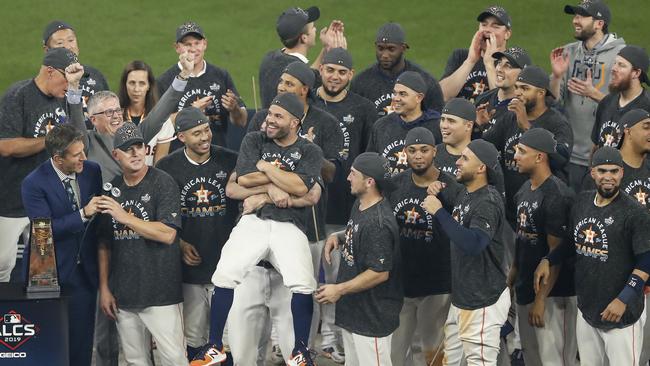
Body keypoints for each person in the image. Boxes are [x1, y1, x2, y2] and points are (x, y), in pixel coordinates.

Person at [191, 93, 324, 366]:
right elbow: (243, 179)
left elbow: (302, 188)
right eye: (269, 113)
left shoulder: (310, 151)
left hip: (289, 223)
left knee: (302, 282)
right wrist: (274, 186)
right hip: (254, 220)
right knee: (225, 273)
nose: (269, 120)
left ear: (295, 122)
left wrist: (263, 170)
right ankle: (215, 344)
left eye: (278, 115)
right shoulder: (254, 139)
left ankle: (300, 350)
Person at [549, 147, 650, 365]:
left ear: (622, 173)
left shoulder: (635, 213)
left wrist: (623, 299)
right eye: (602, 171)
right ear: (592, 172)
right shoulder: (582, 202)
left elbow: (646, 260)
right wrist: (548, 260)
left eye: (614, 171)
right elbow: (571, 242)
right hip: (587, 308)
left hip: (621, 316)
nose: (608, 177)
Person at [97, 122, 186, 365]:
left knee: (174, 359)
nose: (136, 153)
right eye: (128, 149)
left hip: (161, 294)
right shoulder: (112, 189)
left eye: (139, 147)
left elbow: (167, 234)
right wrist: (105, 288)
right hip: (124, 295)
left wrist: (124, 216)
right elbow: (104, 243)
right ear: (116, 155)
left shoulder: (163, 182)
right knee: (135, 361)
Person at [155, 107, 239, 360]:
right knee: (193, 335)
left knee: (228, 336)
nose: (204, 137)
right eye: (196, 133)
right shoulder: (167, 167)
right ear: (181, 137)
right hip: (190, 270)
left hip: (227, 266)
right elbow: (159, 216)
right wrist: (179, 244)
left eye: (206, 130)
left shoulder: (230, 159)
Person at [312, 47, 378, 361]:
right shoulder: (307, 104)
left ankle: (331, 337)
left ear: (350, 75)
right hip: (309, 209)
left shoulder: (364, 109)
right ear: (320, 70)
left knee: (339, 277)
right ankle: (310, 338)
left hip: (345, 208)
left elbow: (369, 157)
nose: (335, 76)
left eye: (342, 71)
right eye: (329, 70)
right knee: (309, 276)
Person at [422, 139, 509, 366]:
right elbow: (458, 214)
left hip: (483, 300)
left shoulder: (488, 201)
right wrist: (439, 190)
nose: (458, 162)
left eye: (465, 158)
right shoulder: (467, 193)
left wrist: (439, 212)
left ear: (482, 168)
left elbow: (474, 243)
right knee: (450, 361)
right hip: (464, 298)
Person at [21, 124, 102, 366]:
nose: (84, 158)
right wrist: (82, 215)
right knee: (49, 343)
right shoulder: (33, 183)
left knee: (82, 341)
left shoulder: (92, 171)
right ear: (58, 158)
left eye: (83, 151)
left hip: (85, 272)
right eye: (77, 154)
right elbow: (43, 231)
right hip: (50, 273)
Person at [0, 47, 83, 283]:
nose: (69, 85)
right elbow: (6, 146)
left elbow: (80, 137)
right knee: (2, 266)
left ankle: (39, 318)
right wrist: (51, 141)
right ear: (49, 71)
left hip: (45, 204)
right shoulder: (18, 96)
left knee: (43, 271)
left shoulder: (65, 99)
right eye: (67, 78)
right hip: (11, 203)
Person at [317, 152, 402, 366]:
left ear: (370, 181)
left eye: (353, 173)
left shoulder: (379, 223)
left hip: (372, 318)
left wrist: (338, 289)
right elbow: (356, 232)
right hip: (354, 312)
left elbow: (380, 273)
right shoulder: (361, 204)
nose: (347, 178)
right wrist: (338, 237)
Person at [388, 127, 456, 366]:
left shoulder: (451, 187)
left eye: (424, 150)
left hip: (437, 284)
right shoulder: (394, 185)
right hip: (401, 283)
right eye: (412, 150)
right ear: (405, 152)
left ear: (434, 152)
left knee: (432, 353)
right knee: (395, 353)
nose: (418, 156)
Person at [509, 128, 577, 366]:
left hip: (554, 297)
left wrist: (541, 299)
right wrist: (513, 276)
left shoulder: (557, 194)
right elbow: (521, 239)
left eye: (521, 151)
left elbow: (555, 255)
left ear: (540, 157)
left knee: (555, 360)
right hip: (527, 288)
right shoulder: (524, 190)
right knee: (531, 357)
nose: (515, 156)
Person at [79, 52, 193, 181]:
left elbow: (161, 112)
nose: (116, 116)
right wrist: (72, 87)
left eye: (117, 110)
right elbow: (75, 122)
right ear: (93, 119)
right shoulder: (86, 142)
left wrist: (184, 75)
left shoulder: (132, 135)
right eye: (109, 112)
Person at [482, 65, 573, 227]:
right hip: (511, 206)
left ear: (541, 93)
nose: (518, 92)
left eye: (525, 88)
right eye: (517, 87)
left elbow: (562, 158)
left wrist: (527, 127)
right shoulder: (510, 116)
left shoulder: (557, 122)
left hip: (545, 208)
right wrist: (479, 127)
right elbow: (486, 146)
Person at [549, 0, 625, 192]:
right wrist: (557, 77)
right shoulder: (568, 52)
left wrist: (595, 95)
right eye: (575, 16)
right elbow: (553, 101)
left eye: (582, 16)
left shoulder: (621, 56)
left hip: (604, 156)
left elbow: (629, 106)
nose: (575, 20)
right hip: (570, 154)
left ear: (599, 24)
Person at [157, 21, 247, 148]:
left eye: (197, 43)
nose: (193, 49)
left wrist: (235, 109)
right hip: (179, 159)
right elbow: (157, 125)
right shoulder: (164, 81)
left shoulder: (221, 76)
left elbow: (241, 121)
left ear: (205, 44)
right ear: (177, 48)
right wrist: (191, 112)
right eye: (187, 44)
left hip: (218, 156)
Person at [258, 5, 345, 109]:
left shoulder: (270, 58)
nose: (315, 29)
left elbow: (308, 72)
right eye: (313, 27)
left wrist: (326, 48)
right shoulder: (297, 75)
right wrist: (338, 55)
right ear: (304, 38)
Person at [350, 22, 444, 117]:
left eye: (391, 49)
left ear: (403, 48)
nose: (385, 55)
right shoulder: (360, 83)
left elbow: (436, 123)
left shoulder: (426, 82)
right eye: (380, 48)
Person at [366, 71, 442, 176]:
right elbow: (370, 164)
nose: (396, 98)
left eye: (402, 94)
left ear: (419, 98)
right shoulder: (381, 126)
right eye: (395, 93)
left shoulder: (436, 127)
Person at [439, 6, 512, 101]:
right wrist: (470, 61)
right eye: (484, 25)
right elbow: (441, 96)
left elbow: (503, 104)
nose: (488, 29)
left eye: (495, 26)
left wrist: (489, 63)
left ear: (507, 34)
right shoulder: (460, 56)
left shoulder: (512, 62)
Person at [42, 20, 110, 121]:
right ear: (47, 50)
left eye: (71, 40)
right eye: (60, 43)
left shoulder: (95, 76)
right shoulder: (45, 84)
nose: (68, 47)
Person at [591, 45, 650, 148]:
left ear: (636, 73)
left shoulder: (647, 107)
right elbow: (596, 145)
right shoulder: (606, 102)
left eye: (621, 65)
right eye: (614, 63)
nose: (613, 68)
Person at [119, 60, 176, 165]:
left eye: (142, 83)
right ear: (125, 85)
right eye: (132, 83)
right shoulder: (115, 118)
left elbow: (159, 164)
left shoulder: (162, 119)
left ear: (149, 86)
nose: (136, 89)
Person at [475, 46, 532, 133]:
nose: (499, 69)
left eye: (508, 66)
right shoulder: (483, 99)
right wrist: (476, 125)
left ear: (523, 73)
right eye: (499, 63)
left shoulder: (523, 110)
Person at [436, 98, 476, 175]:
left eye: (451, 121)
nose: (444, 125)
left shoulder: (478, 159)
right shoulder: (431, 154)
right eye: (442, 119)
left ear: (468, 126)